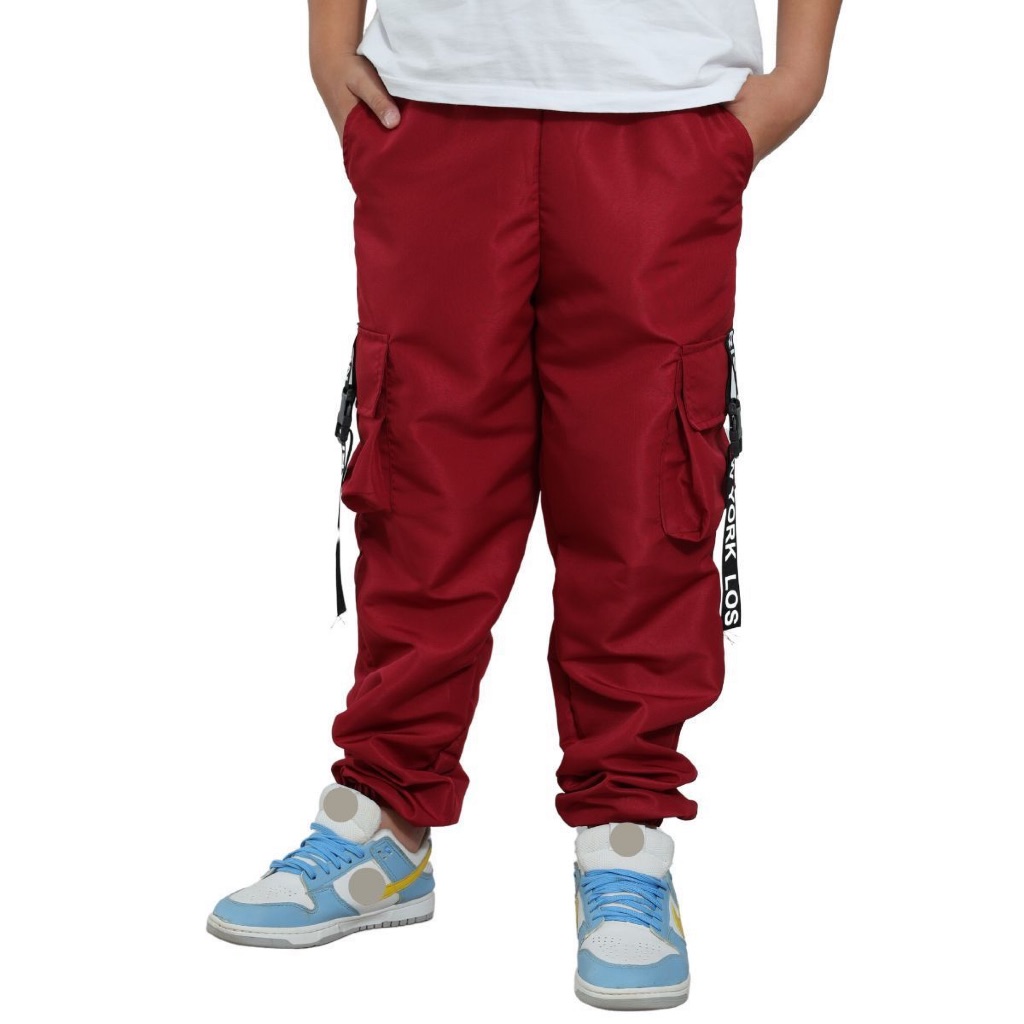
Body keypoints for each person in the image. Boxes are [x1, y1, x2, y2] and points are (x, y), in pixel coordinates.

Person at [208, 0, 841, 1009]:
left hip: (660, 106)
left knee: (644, 489)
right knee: (421, 481)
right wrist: (330, 47)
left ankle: (626, 838)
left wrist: (799, 76)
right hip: (433, 103)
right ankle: (384, 815)